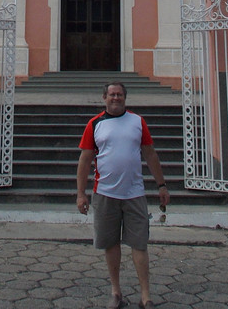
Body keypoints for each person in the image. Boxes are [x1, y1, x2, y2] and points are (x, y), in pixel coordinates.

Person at [76, 81, 170, 309]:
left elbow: (150, 154)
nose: (115, 98)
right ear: (104, 98)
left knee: (139, 244)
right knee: (110, 243)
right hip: (105, 193)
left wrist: (162, 185)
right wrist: (81, 193)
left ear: (125, 98)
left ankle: (145, 296)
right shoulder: (94, 124)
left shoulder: (138, 122)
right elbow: (85, 159)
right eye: (111, 94)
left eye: (119, 95)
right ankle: (116, 292)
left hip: (134, 193)